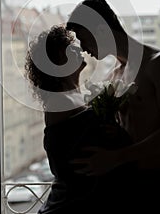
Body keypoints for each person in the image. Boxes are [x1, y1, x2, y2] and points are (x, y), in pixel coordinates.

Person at [66, 0, 160, 209]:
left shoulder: (159, 64)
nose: (83, 48)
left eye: (83, 38)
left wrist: (117, 157)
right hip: (127, 184)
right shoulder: (114, 75)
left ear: (101, 30)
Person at [25, 25, 136, 213]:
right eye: (69, 47)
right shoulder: (59, 101)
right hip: (71, 204)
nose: (78, 48)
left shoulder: (76, 97)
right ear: (58, 62)